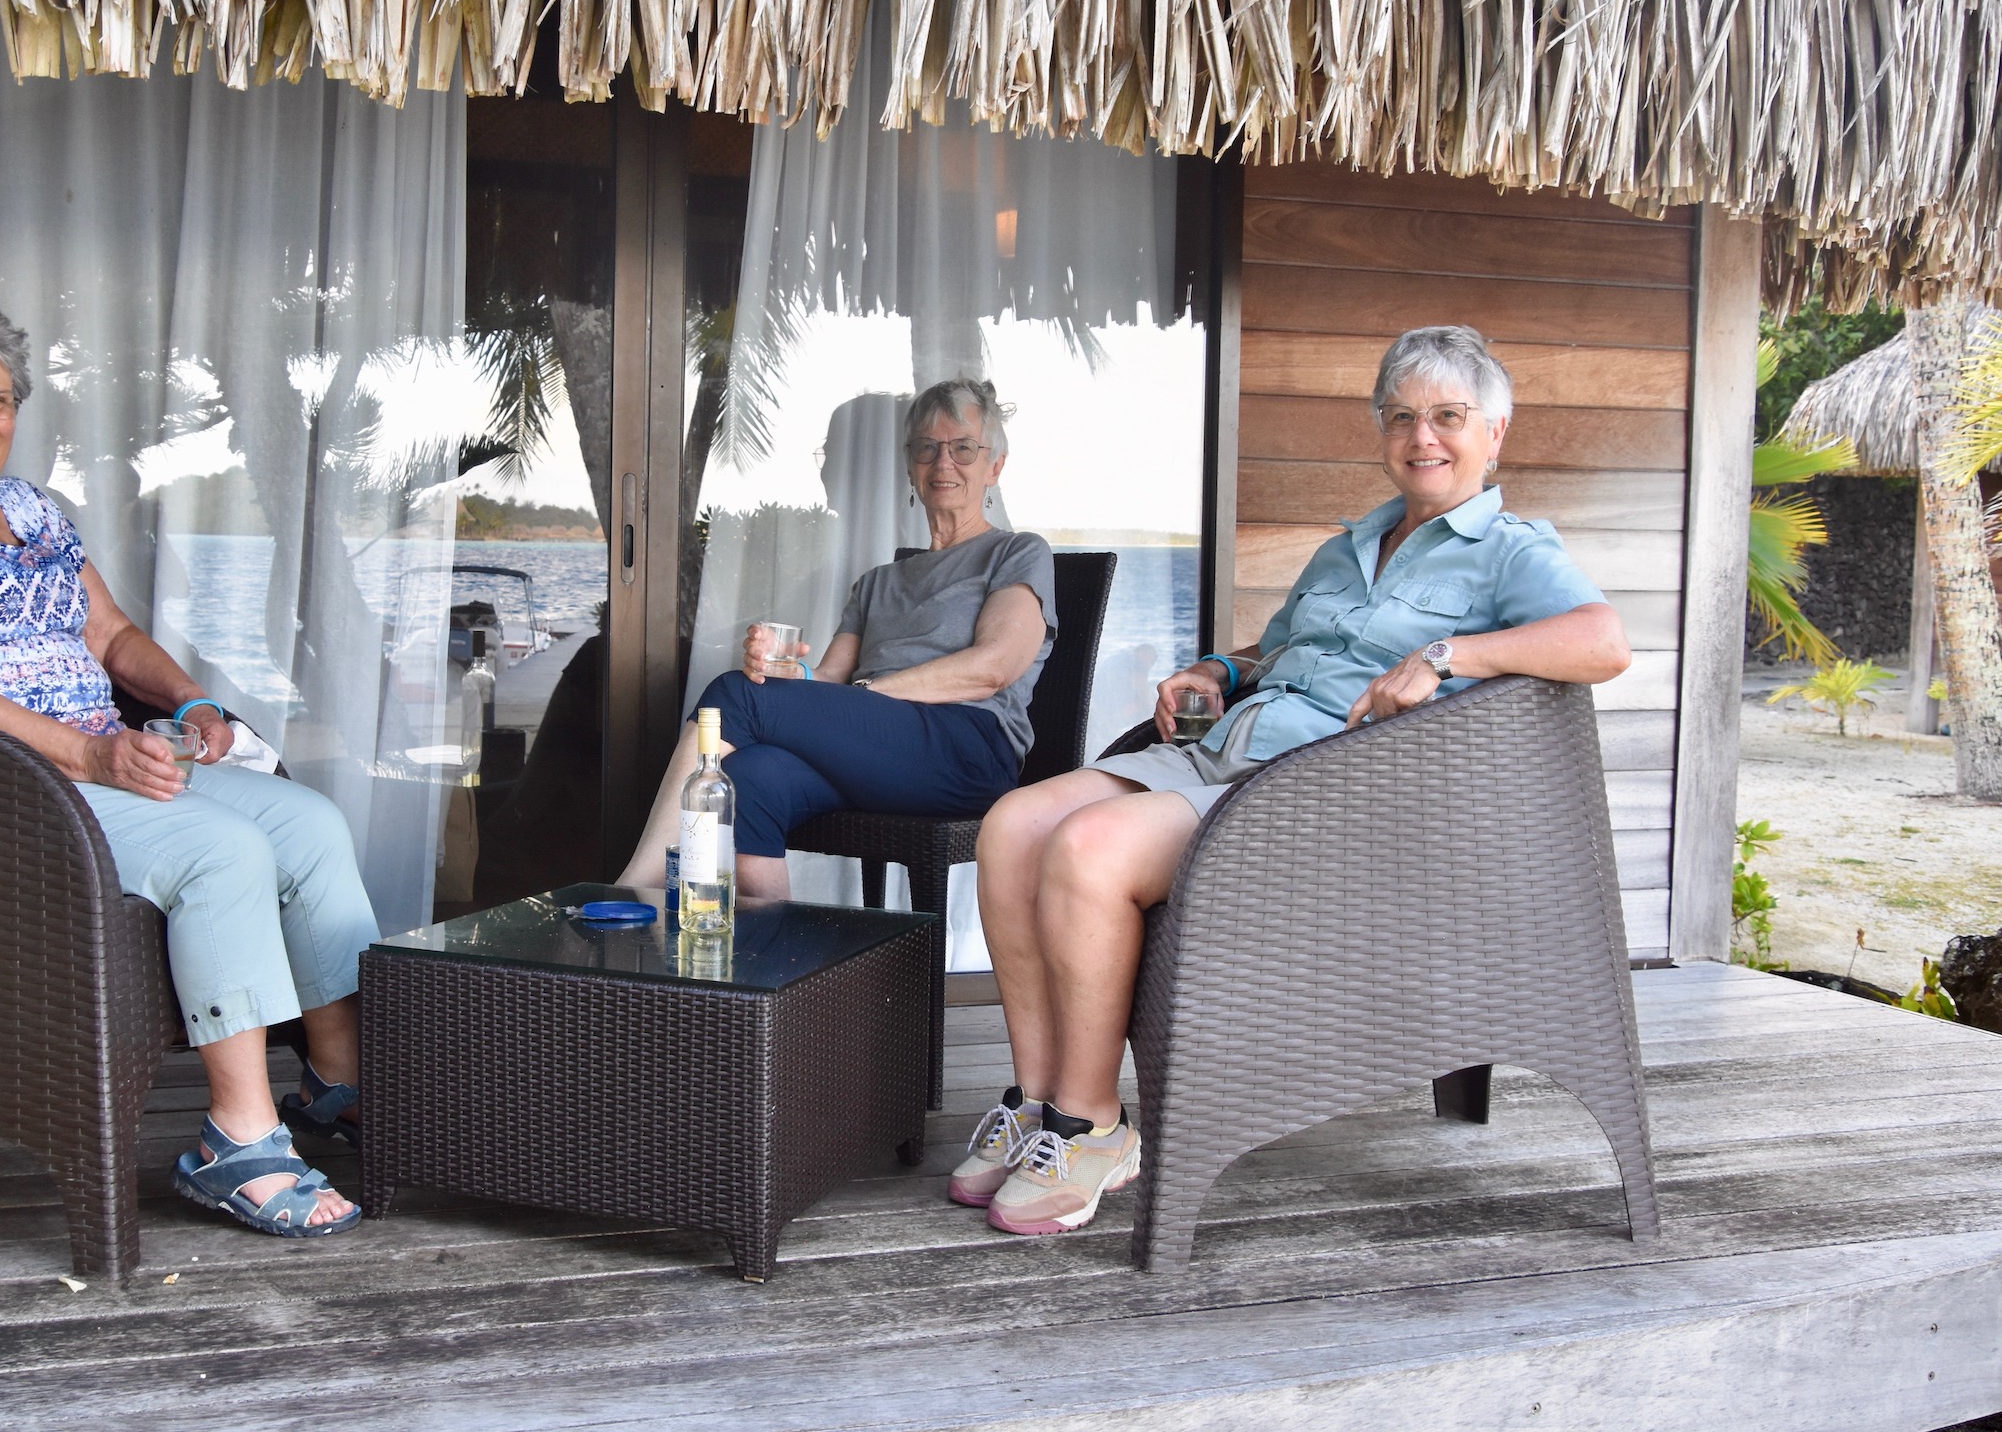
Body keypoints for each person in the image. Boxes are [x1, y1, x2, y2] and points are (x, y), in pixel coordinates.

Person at [961, 325, 1634, 1236]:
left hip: (1312, 796)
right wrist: (1221, 672)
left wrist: (1447, 652)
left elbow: (1603, 642)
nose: (1422, 437)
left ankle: (1093, 1125)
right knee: (1011, 825)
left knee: (1087, 848)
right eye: (1402, 418)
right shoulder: (1348, 547)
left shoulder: (1508, 551)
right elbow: (1281, 653)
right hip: (1224, 749)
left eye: (1448, 417)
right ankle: (1037, 1104)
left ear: (1495, 433)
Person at [0, 292, 378, 1239]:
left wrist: (192, 704)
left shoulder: (31, 510)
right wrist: (92, 752)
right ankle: (237, 1142)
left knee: (309, 824)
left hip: (101, 762)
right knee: (222, 849)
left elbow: (110, 635)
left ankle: (337, 1081)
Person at [615, 376, 1053, 901]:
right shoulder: (878, 582)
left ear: (994, 466)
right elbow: (825, 679)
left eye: (963, 448)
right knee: (751, 778)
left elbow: (992, 669)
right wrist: (783, 673)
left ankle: (635, 885)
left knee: (735, 694)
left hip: (966, 748)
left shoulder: (1017, 552)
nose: (944, 463)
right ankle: (775, 969)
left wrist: (849, 698)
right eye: (927, 448)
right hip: (879, 747)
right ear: (911, 464)